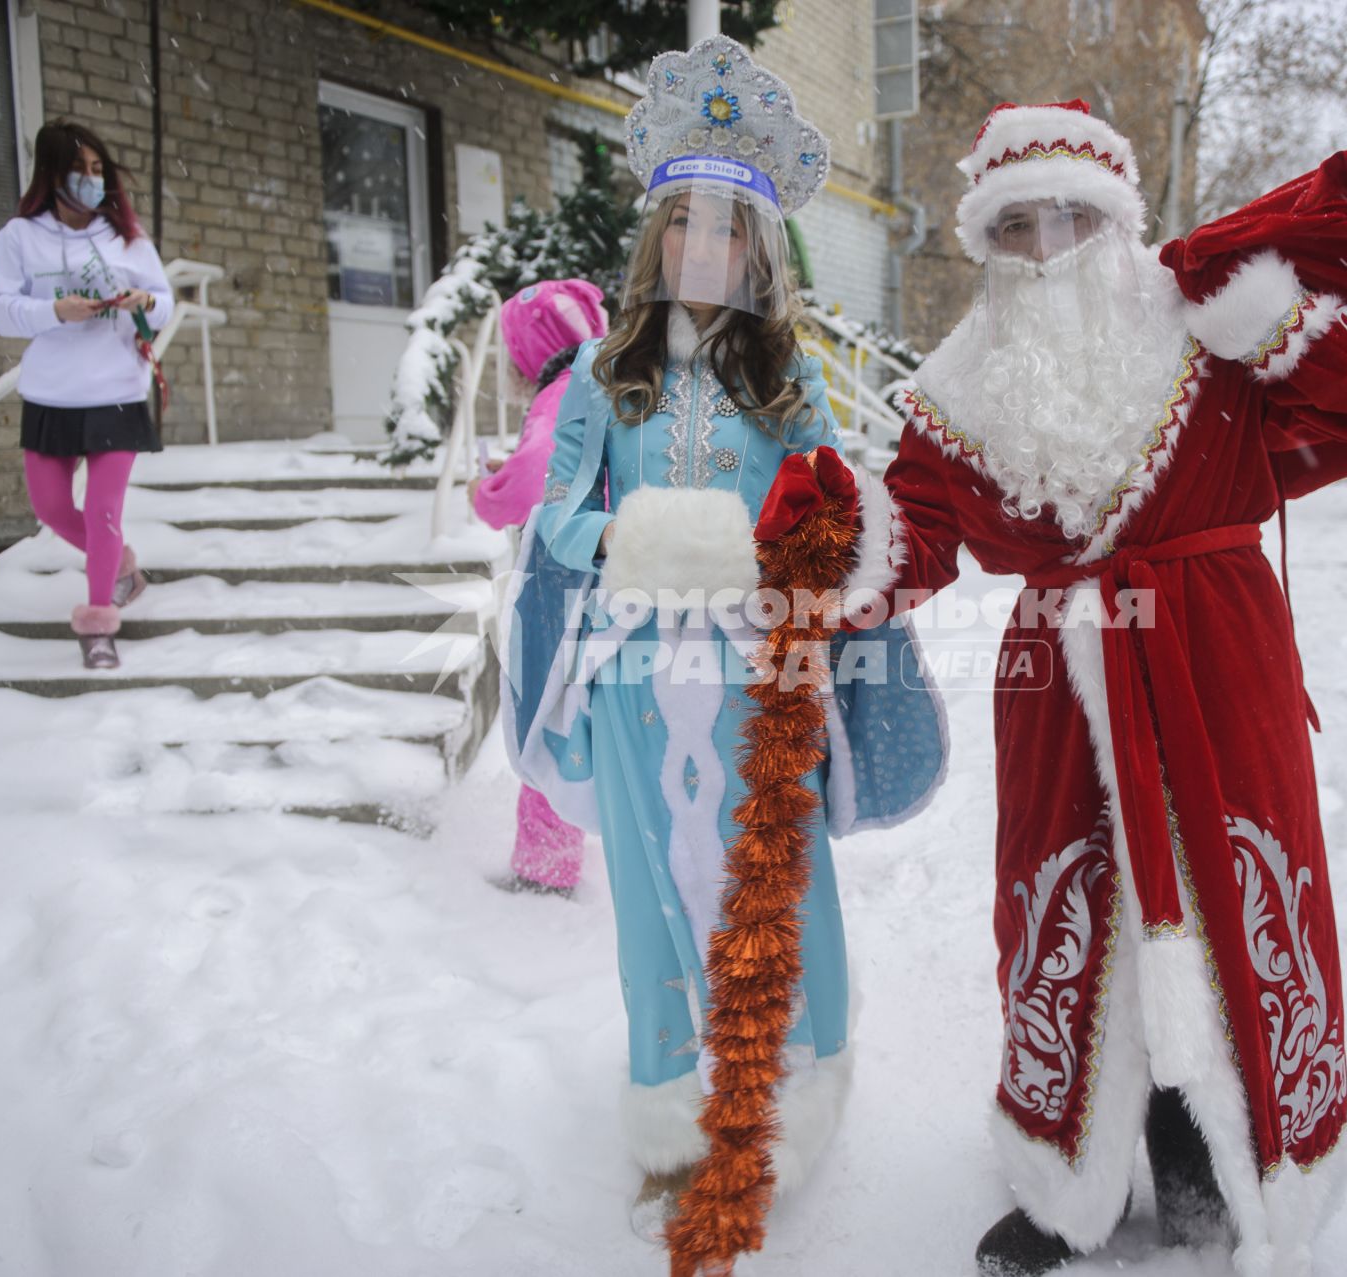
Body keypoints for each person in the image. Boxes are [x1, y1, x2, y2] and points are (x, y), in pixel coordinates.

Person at [766, 101, 1347, 1276]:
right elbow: (919, 537)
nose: (1048, 246)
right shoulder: (956, 385)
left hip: (1217, 654)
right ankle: (1063, 1172)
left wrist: (1274, 313)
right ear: (986, 239)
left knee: (1231, 887)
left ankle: (1216, 1145)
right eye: (1017, 223)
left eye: (1075, 216)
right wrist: (836, 541)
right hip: (1055, 683)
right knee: (1070, 899)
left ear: (1117, 217)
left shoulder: (1202, 323)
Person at [498, 36, 945, 1271]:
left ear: (758, 249)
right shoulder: (605, 374)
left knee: (783, 875)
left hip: (762, 677)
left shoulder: (784, 377)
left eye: (730, 230)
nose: (707, 250)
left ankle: (786, 1101)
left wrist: (801, 536)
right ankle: (669, 1117)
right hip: (639, 671)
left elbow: (830, 506)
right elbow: (559, 519)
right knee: (649, 889)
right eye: (687, 226)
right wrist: (647, 535)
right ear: (661, 240)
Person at [0, 120, 172, 670]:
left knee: (102, 511)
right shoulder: (19, 237)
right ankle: (121, 568)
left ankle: (98, 625)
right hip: (50, 393)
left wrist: (142, 300)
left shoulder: (127, 238)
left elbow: (163, 305)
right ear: (51, 173)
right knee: (50, 507)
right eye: (79, 170)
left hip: (115, 390)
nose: (90, 181)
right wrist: (52, 312)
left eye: (97, 171)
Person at [470, 279, 609, 897]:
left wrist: (489, 492)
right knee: (574, 713)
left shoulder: (563, 388)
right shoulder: (606, 380)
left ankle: (546, 871)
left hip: (562, 578)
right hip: (600, 571)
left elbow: (535, 482)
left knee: (543, 715)